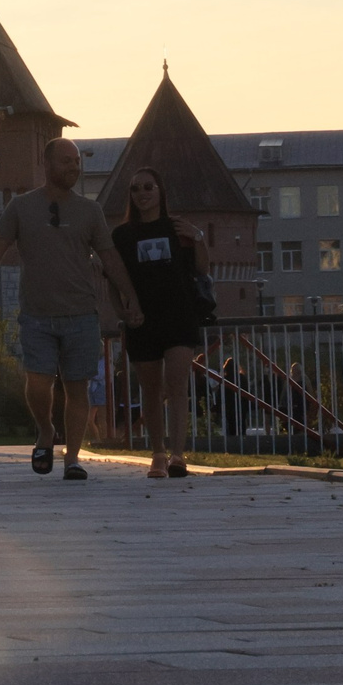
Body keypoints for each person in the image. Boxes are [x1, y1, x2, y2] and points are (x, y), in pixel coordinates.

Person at [0, 137, 143, 480]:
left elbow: (109, 257)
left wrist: (129, 294)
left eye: (76, 162)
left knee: (76, 387)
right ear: (48, 165)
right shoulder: (21, 207)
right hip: (37, 315)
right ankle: (44, 430)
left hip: (82, 314)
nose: (74, 167)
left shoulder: (90, 211)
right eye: (66, 162)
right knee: (39, 382)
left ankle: (72, 458)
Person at [112, 166, 209, 479]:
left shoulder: (178, 229)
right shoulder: (122, 235)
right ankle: (157, 453)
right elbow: (112, 278)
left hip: (180, 315)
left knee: (177, 382)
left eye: (148, 187)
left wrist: (198, 237)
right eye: (136, 189)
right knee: (150, 389)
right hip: (143, 319)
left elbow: (201, 269)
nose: (142, 194)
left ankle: (178, 454)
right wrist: (122, 311)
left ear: (160, 191)